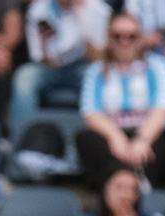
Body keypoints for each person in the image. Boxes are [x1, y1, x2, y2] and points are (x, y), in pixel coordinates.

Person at [76, 10, 165, 190]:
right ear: (108, 38)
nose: (124, 41)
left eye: (131, 36)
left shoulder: (158, 65)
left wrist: (143, 140)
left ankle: (135, 190)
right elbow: (91, 112)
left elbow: (162, 108)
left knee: (162, 148)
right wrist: (116, 137)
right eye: (118, 36)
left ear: (141, 38)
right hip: (110, 136)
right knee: (87, 140)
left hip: (148, 133)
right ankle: (119, 188)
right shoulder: (96, 70)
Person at [11, 0, 110, 137]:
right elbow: (37, 56)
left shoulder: (97, 9)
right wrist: (46, 47)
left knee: (97, 76)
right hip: (48, 69)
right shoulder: (39, 9)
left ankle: (102, 137)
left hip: (82, 66)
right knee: (24, 77)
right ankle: (22, 141)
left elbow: (100, 58)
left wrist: (82, 19)